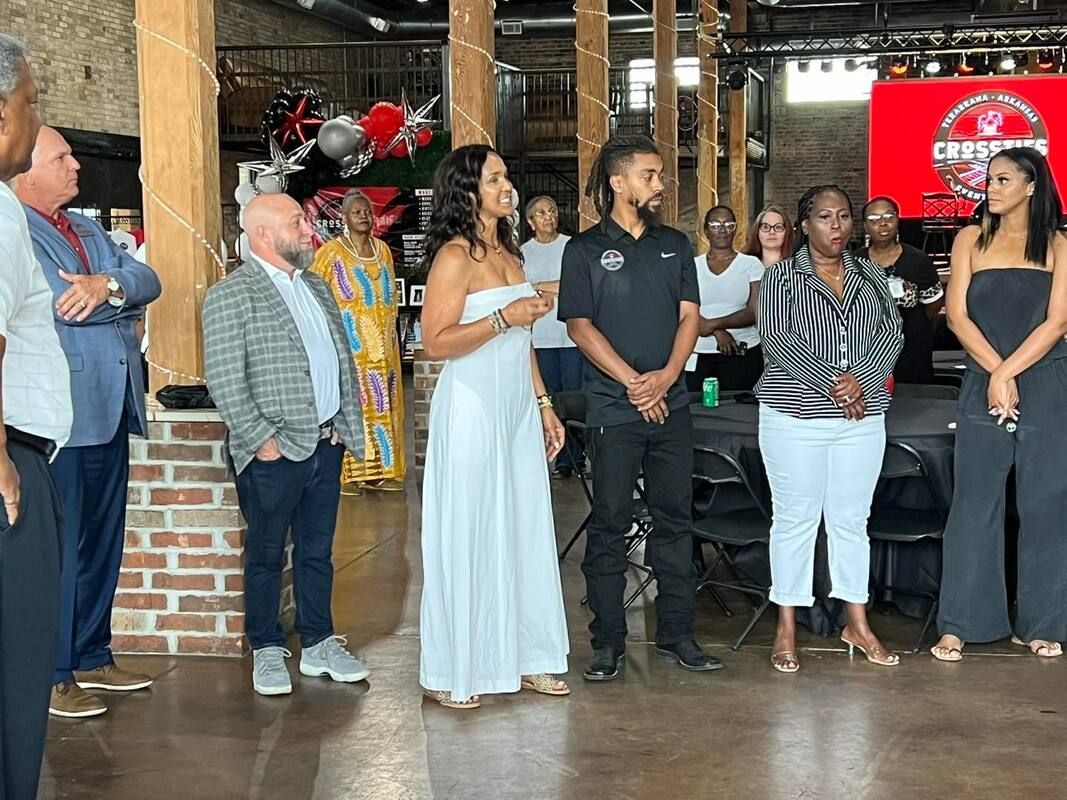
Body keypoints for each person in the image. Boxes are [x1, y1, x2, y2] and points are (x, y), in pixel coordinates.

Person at [558, 134, 722, 680]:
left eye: (660, 175)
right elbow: (580, 327)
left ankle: (677, 634)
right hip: (613, 411)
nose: (660, 184)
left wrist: (666, 378)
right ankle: (607, 643)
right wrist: (634, 383)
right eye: (650, 175)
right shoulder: (582, 249)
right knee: (610, 524)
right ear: (618, 182)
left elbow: (689, 318)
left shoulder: (674, 243)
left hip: (671, 407)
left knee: (677, 522)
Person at [15, 125, 162, 719]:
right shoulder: (16, 229)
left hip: (110, 407)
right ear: (26, 171)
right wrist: (115, 300)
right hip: (63, 418)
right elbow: (59, 307)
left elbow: (148, 280)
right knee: (62, 549)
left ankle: (93, 653)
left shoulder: (88, 229)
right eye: (62, 156)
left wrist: (110, 286)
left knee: (103, 539)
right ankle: (53, 674)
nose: (76, 165)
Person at [419, 145, 570, 709]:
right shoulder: (455, 257)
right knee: (471, 529)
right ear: (468, 192)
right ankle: (454, 666)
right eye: (495, 179)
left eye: (507, 176)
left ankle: (528, 655)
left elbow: (521, 341)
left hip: (514, 407)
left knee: (523, 526)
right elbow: (436, 343)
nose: (508, 186)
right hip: (473, 406)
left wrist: (544, 403)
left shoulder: (510, 251)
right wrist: (505, 314)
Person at [203, 193, 370, 697]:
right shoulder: (231, 295)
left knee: (318, 552)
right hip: (274, 451)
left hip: (325, 442)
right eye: (296, 221)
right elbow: (225, 379)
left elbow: (340, 358)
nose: (307, 228)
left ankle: (318, 642)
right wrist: (262, 442)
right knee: (267, 552)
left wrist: (342, 421)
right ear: (263, 235)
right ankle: (268, 648)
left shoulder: (316, 286)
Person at [755, 184, 903, 674]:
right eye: (824, 217)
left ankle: (855, 623)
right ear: (805, 225)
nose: (836, 226)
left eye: (843, 217)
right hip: (794, 417)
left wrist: (860, 383)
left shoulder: (871, 274)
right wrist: (836, 386)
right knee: (796, 520)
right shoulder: (780, 277)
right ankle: (786, 627)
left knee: (850, 521)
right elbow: (777, 340)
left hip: (862, 419)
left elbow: (892, 333)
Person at [932, 147, 1067, 663]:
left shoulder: (1057, 245)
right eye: (989, 179)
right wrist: (994, 371)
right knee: (974, 502)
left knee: (1045, 503)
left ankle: (1044, 622)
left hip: (1047, 382)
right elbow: (957, 317)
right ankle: (961, 622)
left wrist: (1008, 373)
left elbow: (1057, 322)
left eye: (1003, 179)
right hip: (981, 382)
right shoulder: (970, 239)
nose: (990, 187)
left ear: (1032, 187)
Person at [0, 33, 73, 797]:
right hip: (8, 464)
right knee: (17, 678)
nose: (34, 118)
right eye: (30, 103)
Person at [309, 190, 406, 496]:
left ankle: (382, 471)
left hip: (384, 351)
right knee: (356, 409)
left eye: (367, 211)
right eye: (356, 212)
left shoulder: (382, 250)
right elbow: (313, 291)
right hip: (351, 351)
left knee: (384, 408)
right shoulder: (331, 252)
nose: (364, 216)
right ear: (344, 218)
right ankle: (349, 477)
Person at [520, 195, 585, 478]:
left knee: (575, 398)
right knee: (550, 399)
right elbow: (519, 292)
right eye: (541, 213)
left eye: (552, 211)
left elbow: (575, 285)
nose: (549, 217)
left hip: (570, 336)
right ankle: (555, 455)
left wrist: (538, 286)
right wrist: (541, 289)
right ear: (530, 222)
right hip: (540, 339)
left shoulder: (571, 246)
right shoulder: (522, 253)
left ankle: (575, 458)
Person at [856, 196, 943, 384]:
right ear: (865, 226)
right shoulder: (854, 263)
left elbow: (934, 305)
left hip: (912, 347)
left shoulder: (919, 260)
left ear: (898, 220)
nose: (883, 223)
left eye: (889, 216)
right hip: (868, 352)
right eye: (874, 219)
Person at [685, 205, 766, 393]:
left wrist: (712, 325)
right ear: (705, 230)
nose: (722, 230)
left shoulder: (751, 265)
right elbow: (682, 308)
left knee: (741, 414)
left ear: (735, 229)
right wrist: (718, 332)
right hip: (699, 352)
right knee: (699, 413)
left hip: (742, 352)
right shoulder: (692, 266)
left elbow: (755, 311)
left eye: (728, 225)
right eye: (715, 225)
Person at [744, 204, 794, 268]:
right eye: (765, 227)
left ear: (787, 231)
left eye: (778, 227)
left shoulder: (797, 266)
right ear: (757, 231)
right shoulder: (744, 264)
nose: (772, 232)